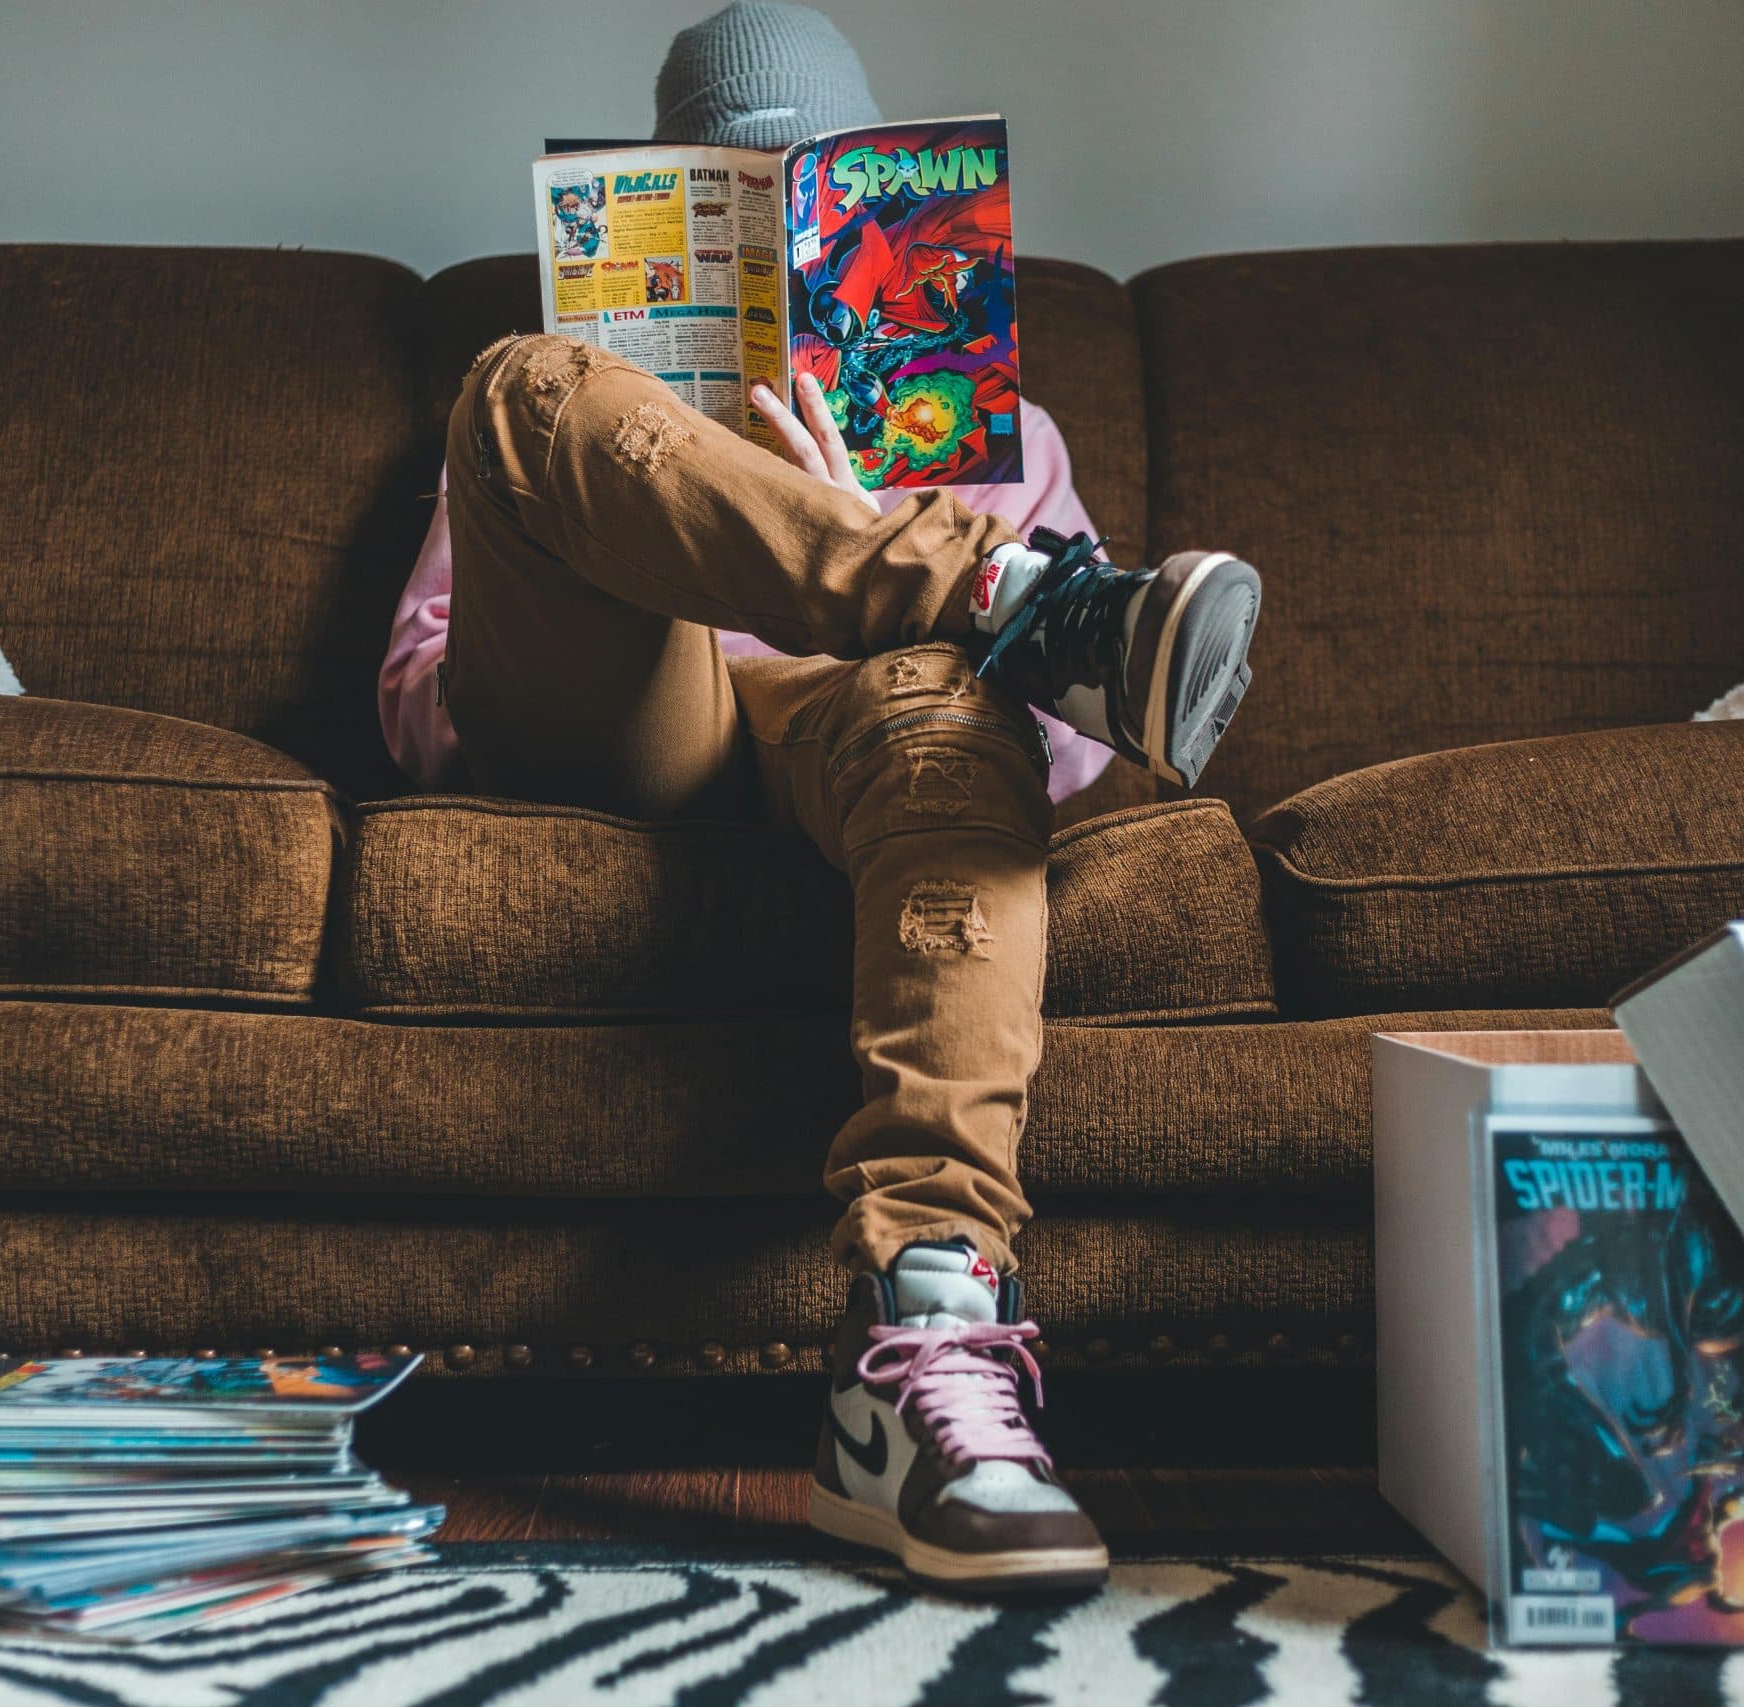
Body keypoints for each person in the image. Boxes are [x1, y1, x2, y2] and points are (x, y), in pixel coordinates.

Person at [378, 1, 1261, 1595]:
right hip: (638, 727)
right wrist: (696, 532)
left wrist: (867, 509)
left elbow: (1060, 763)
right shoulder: (597, 400)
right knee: (517, 385)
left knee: (949, 701)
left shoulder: (1001, 428)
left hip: (866, 737)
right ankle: (992, 595)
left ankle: (919, 1345)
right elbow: (427, 701)